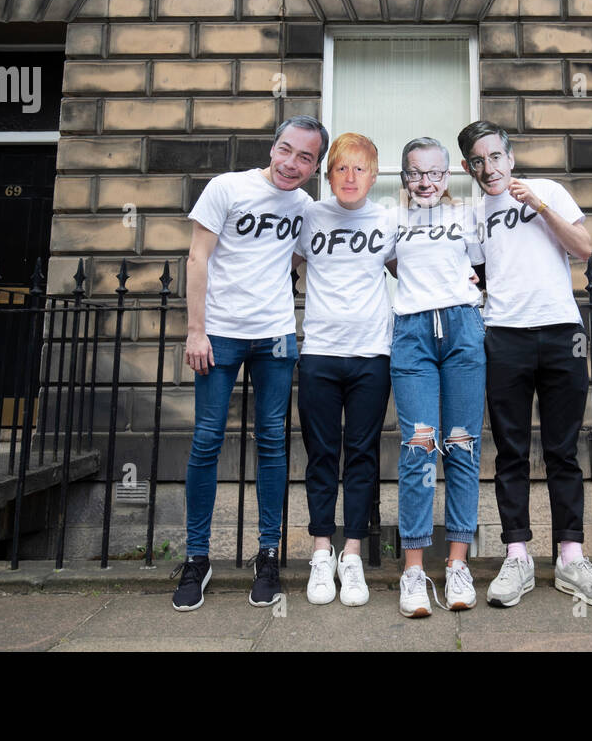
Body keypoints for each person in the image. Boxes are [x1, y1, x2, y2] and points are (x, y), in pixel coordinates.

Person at [456, 119, 592, 610]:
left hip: (561, 332)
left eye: (495, 157)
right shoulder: (472, 213)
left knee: (562, 450)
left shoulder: (547, 190)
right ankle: (518, 556)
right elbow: (476, 276)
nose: (489, 168)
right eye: (478, 161)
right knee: (510, 452)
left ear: (510, 156)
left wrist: (539, 205)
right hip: (504, 335)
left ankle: (571, 557)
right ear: (468, 167)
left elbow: (583, 248)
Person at [171, 115, 327, 613]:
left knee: (274, 441)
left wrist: (276, 277)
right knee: (207, 438)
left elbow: (299, 256)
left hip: (276, 336)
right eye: (287, 150)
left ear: (316, 165)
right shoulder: (227, 188)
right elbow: (197, 258)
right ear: (273, 147)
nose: (292, 163)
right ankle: (198, 557)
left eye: (306, 157)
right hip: (219, 333)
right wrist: (196, 330)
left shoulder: (304, 206)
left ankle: (268, 554)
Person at [294, 133, 395, 608]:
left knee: (361, 455)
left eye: (359, 169)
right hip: (318, 354)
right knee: (320, 455)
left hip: (373, 354)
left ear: (374, 176)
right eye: (340, 168)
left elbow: (413, 269)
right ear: (327, 173)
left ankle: (351, 554)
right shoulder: (309, 216)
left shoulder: (388, 220)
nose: (350, 177)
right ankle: (321, 552)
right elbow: (279, 264)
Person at [388, 137, 487, 617]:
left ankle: (456, 565)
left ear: (449, 176)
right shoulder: (393, 219)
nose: (425, 182)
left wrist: (474, 289)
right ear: (403, 177)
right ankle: (412, 570)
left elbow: (487, 268)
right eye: (415, 173)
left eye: (434, 173)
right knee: (420, 445)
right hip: (412, 334)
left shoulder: (468, 214)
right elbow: (387, 262)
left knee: (462, 442)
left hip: (463, 331)